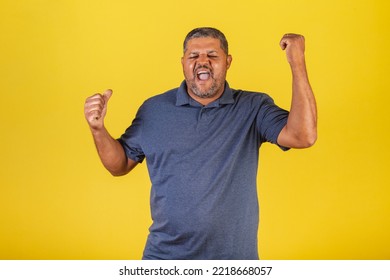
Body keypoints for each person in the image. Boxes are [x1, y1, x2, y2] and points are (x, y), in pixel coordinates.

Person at [84, 27, 317, 260]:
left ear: (228, 62)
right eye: (194, 56)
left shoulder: (252, 107)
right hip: (164, 260)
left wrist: (297, 63)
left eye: (212, 56)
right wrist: (98, 129)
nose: (202, 62)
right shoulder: (154, 110)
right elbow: (119, 164)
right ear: (183, 62)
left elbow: (303, 135)